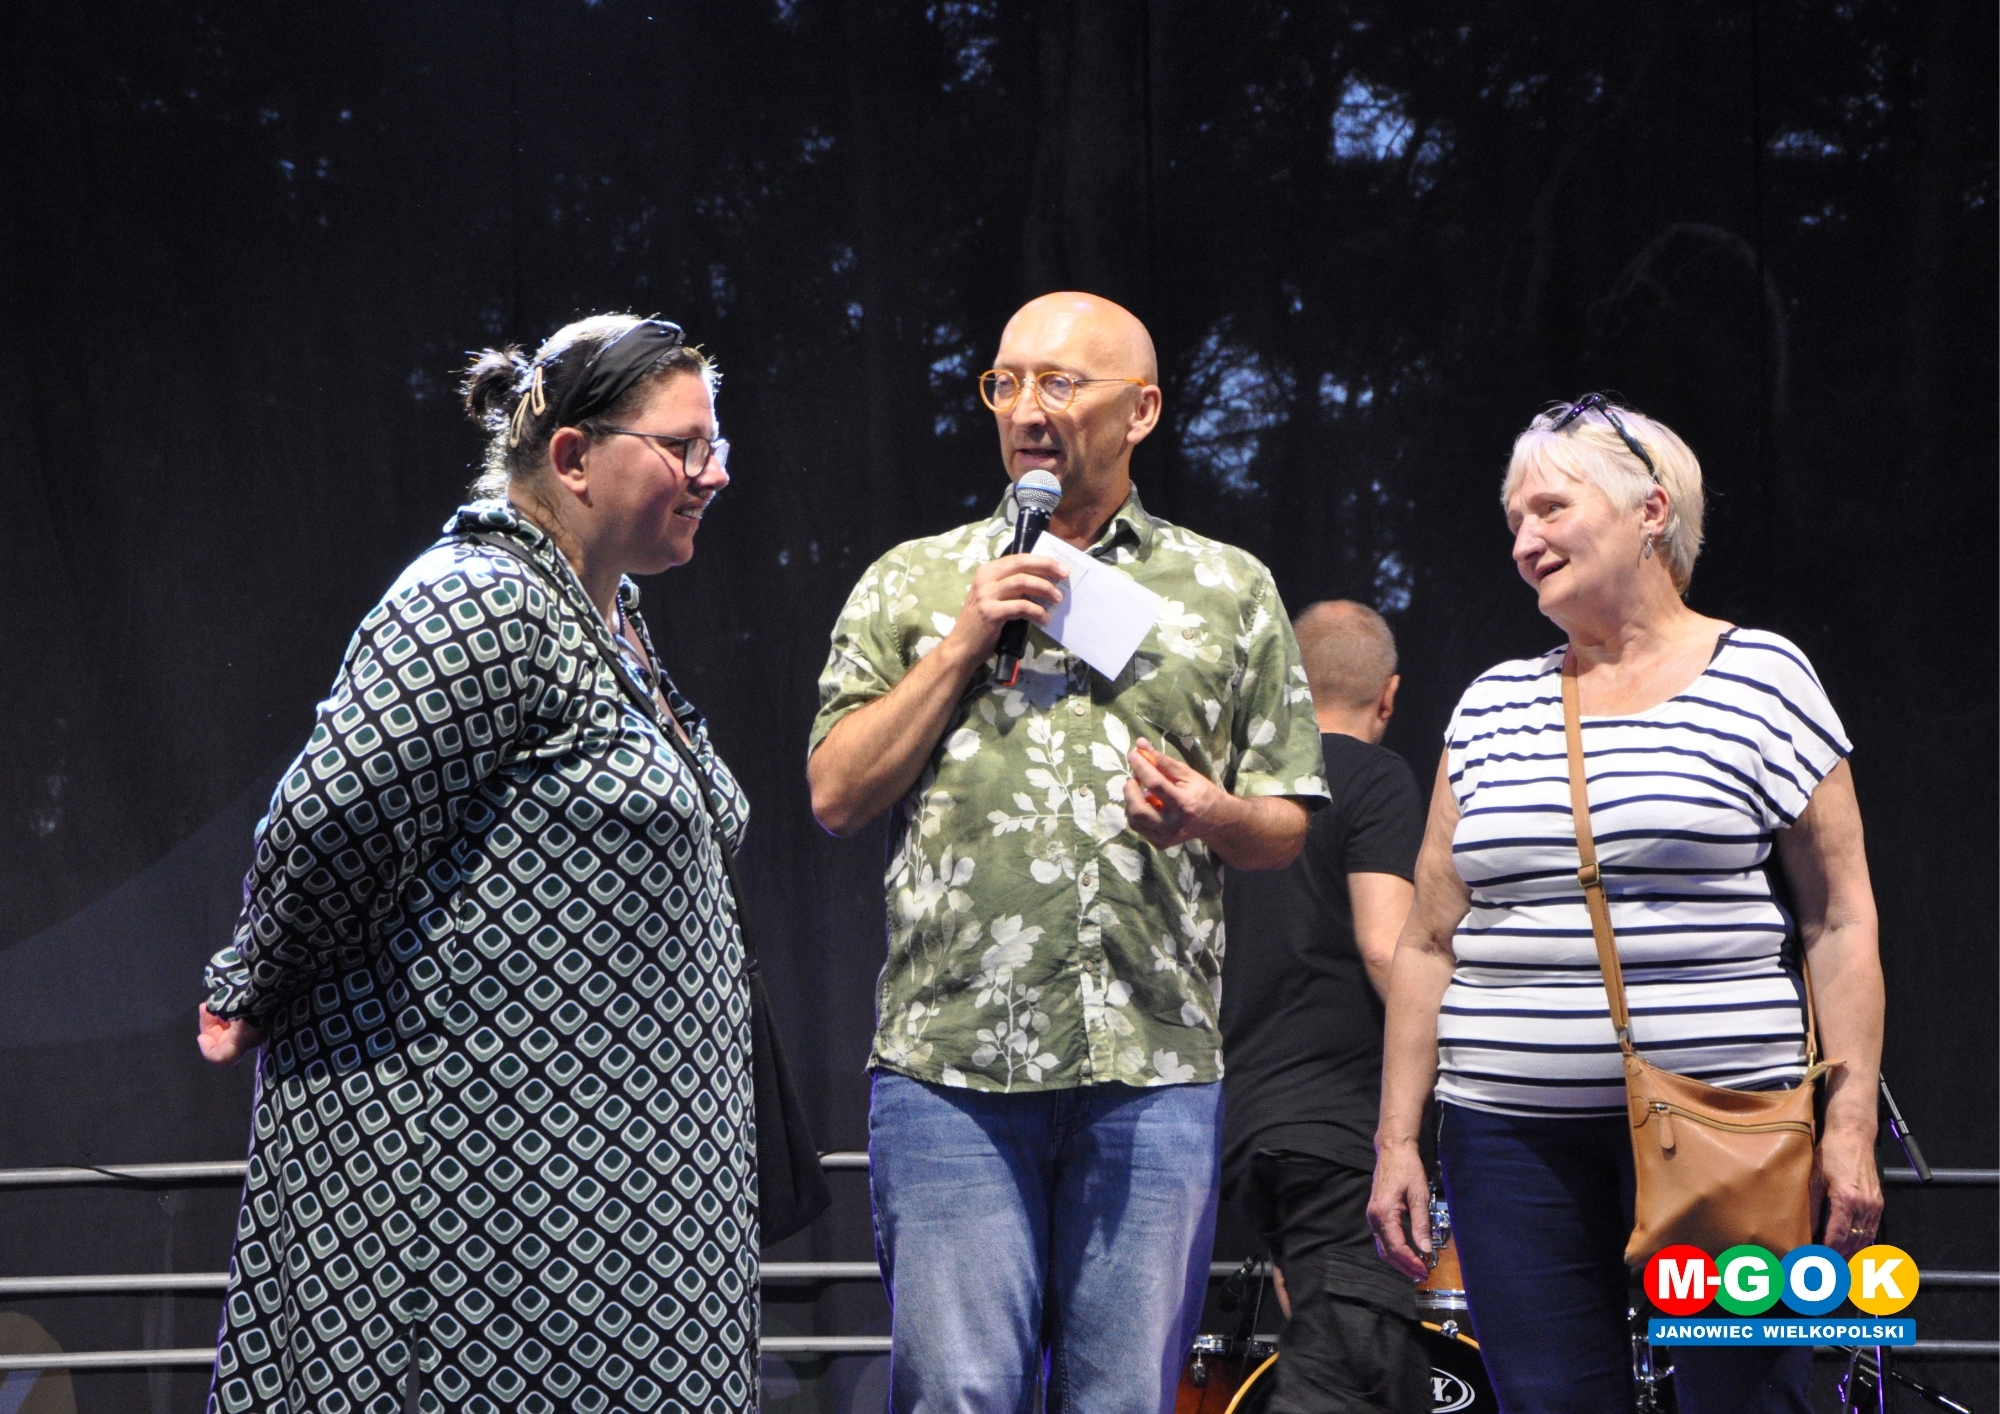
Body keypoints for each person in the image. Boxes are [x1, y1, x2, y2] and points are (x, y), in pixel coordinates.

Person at [196, 314, 759, 1414]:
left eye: (716, 443)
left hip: (609, 1206)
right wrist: (254, 977)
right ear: (572, 456)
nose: (714, 472)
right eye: (684, 446)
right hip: (485, 1202)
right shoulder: (481, 597)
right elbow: (333, 814)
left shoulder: (609, 617)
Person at [807, 291, 1328, 1414]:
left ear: (1141, 410)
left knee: (1122, 1401)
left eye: (1060, 382)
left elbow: (1285, 822)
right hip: (949, 1068)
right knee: (956, 1395)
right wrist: (964, 636)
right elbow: (836, 795)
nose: (1026, 409)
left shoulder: (1228, 589)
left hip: (1149, 1069)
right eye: (1006, 383)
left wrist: (1210, 815)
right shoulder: (913, 579)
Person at [1367, 395, 1885, 1414]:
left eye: (1550, 509)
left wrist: (1849, 1123)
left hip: (1728, 1132)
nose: (1524, 542)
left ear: (1651, 511)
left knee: (1748, 1403)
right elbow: (1427, 942)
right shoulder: (1489, 705)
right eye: (1513, 521)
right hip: (1508, 1143)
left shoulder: (1762, 678)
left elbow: (1840, 920)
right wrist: (1395, 1141)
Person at [1220, 599, 1428, 1414]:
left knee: (1367, 1370)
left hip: (1247, 1124)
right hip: (1338, 1129)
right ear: (1390, 695)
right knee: (1350, 1380)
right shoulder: (1376, 778)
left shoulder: (1238, 797)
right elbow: (1385, 947)